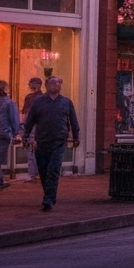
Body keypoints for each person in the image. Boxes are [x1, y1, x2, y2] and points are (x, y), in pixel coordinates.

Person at [23, 76, 80, 211]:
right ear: (47, 84)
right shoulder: (39, 102)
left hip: (59, 141)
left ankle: (49, 199)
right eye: (54, 82)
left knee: (53, 170)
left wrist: (76, 136)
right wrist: (26, 137)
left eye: (60, 83)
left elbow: (73, 120)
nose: (57, 85)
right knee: (43, 170)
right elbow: (30, 120)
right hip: (42, 141)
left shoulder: (66, 102)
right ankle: (48, 194)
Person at [19, 77, 43, 182]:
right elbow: (25, 113)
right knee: (32, 151)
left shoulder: (40, 98)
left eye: (34, 84)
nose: (32, 86)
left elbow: (25, 113)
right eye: (31, 84)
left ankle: (34, 174)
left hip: (36, 127)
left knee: (33, 150)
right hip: (34, 126)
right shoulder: (33, 97)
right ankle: (35, 174)